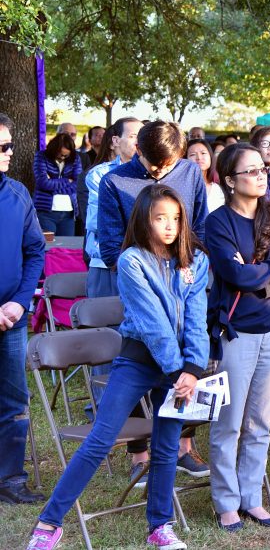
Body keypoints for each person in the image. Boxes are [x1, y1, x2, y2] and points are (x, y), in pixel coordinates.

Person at [27, 185, 209, 550]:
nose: (169, 226)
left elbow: (196, 317)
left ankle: (160, 525)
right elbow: (152, 322)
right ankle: (48, 524)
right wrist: (180, 372)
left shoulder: (195, 261)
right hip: (138, 361)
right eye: (160, 218)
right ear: (143, 220)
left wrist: (193, 367)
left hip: (179, 371)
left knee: (167, 446)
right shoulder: (131, 261)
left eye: (176, 218)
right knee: (100, 439)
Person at [98, 120, 210, 483]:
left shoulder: (189, 172)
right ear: (138, 150)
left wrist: (188, 265)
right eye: (154, 164)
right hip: (140, 286)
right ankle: (139, 455)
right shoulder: (115, 181)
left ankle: (182, 448)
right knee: (141, 361)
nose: (161, 171)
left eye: (169, 164)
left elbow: (199, 227)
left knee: (185, 364)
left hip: (183, 281)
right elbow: (110, 245)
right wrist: (141, 272)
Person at [207, 144, 270, 532]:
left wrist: (264, 271)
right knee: (229, 423)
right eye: (251, 171)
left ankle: (252, 499)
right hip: (235, 332)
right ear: (230, 180)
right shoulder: (218, 223)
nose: (261, 176)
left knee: (260, 422)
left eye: (263, 169)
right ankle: (226, 503)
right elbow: (235, 276)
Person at [0, 114, 46, 506]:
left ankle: (10, 479)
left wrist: (19, 301)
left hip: (11, 320)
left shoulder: (17, 194)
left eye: (9, 144)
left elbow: (35, 252)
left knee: (14, 401)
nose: (9, 152)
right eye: (2, 147)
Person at [84, 117, 142, 297]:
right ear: (116, 140)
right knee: (105, 313)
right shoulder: (101, 174)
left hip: (146, 263)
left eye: (142, 136)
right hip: (107, 262)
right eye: (133, 136)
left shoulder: (155, 174)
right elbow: (97, 222)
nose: (139, 142)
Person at [32, 133, 83, 236]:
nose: (62, 157)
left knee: (67, 245)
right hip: (45, 211)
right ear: (53, 149)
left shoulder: (75, 158)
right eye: (60, 154)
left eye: (66, 155)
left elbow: (78, 183)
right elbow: (43, 183)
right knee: (48, 244)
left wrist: (52, 183)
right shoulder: (41, 156)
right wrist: (67, 181)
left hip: (69, 213)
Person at [186, 139, 225, 213]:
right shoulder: (182, 187)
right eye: (192, 154)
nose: (199, 158)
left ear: (210, 156)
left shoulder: (218, 189)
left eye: (203, 153)